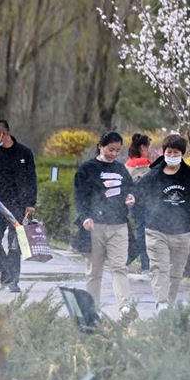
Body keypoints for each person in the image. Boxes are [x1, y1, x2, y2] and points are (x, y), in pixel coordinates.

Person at [136, 134, 190, 311]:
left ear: (182, 154)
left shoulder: (189, 176)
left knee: (176, 273)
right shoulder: (154, 176)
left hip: (182, 232)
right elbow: (138, 194)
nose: (172, 155)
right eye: (169, 152)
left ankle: (168, 306)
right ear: (164, 152)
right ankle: (161, 303)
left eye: (176, 152)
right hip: (156, 229)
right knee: (159, 268)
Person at [74, 131, 136, 318]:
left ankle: (124, 306)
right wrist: (84, 217)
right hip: (95, 227)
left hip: (118, 225)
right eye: (110, 149)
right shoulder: (87, 168)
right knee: (94, 271)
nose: (114, 154)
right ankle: (93, 309)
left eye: (117, 151)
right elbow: (80, 196)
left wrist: (131, 197)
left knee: (120, 267)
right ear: (100, 145)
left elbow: (129, 189)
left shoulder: (121, 169)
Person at [0, 120, 37, 293]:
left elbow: (31, 178)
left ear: (4, 133)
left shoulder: (24, 153)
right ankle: (6, 272)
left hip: (18, 204)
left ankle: (13, 281)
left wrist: (30, 203)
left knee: (14, 244)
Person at [125, 133, 152, 280]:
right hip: (144, 203)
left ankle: (145, 266)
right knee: (145, 234)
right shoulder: (143, 164)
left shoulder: (129, 163)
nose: (149, 152)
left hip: (133, 203)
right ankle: (146, 267)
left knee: (141, 232)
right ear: (143, 147)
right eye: (148, 148)